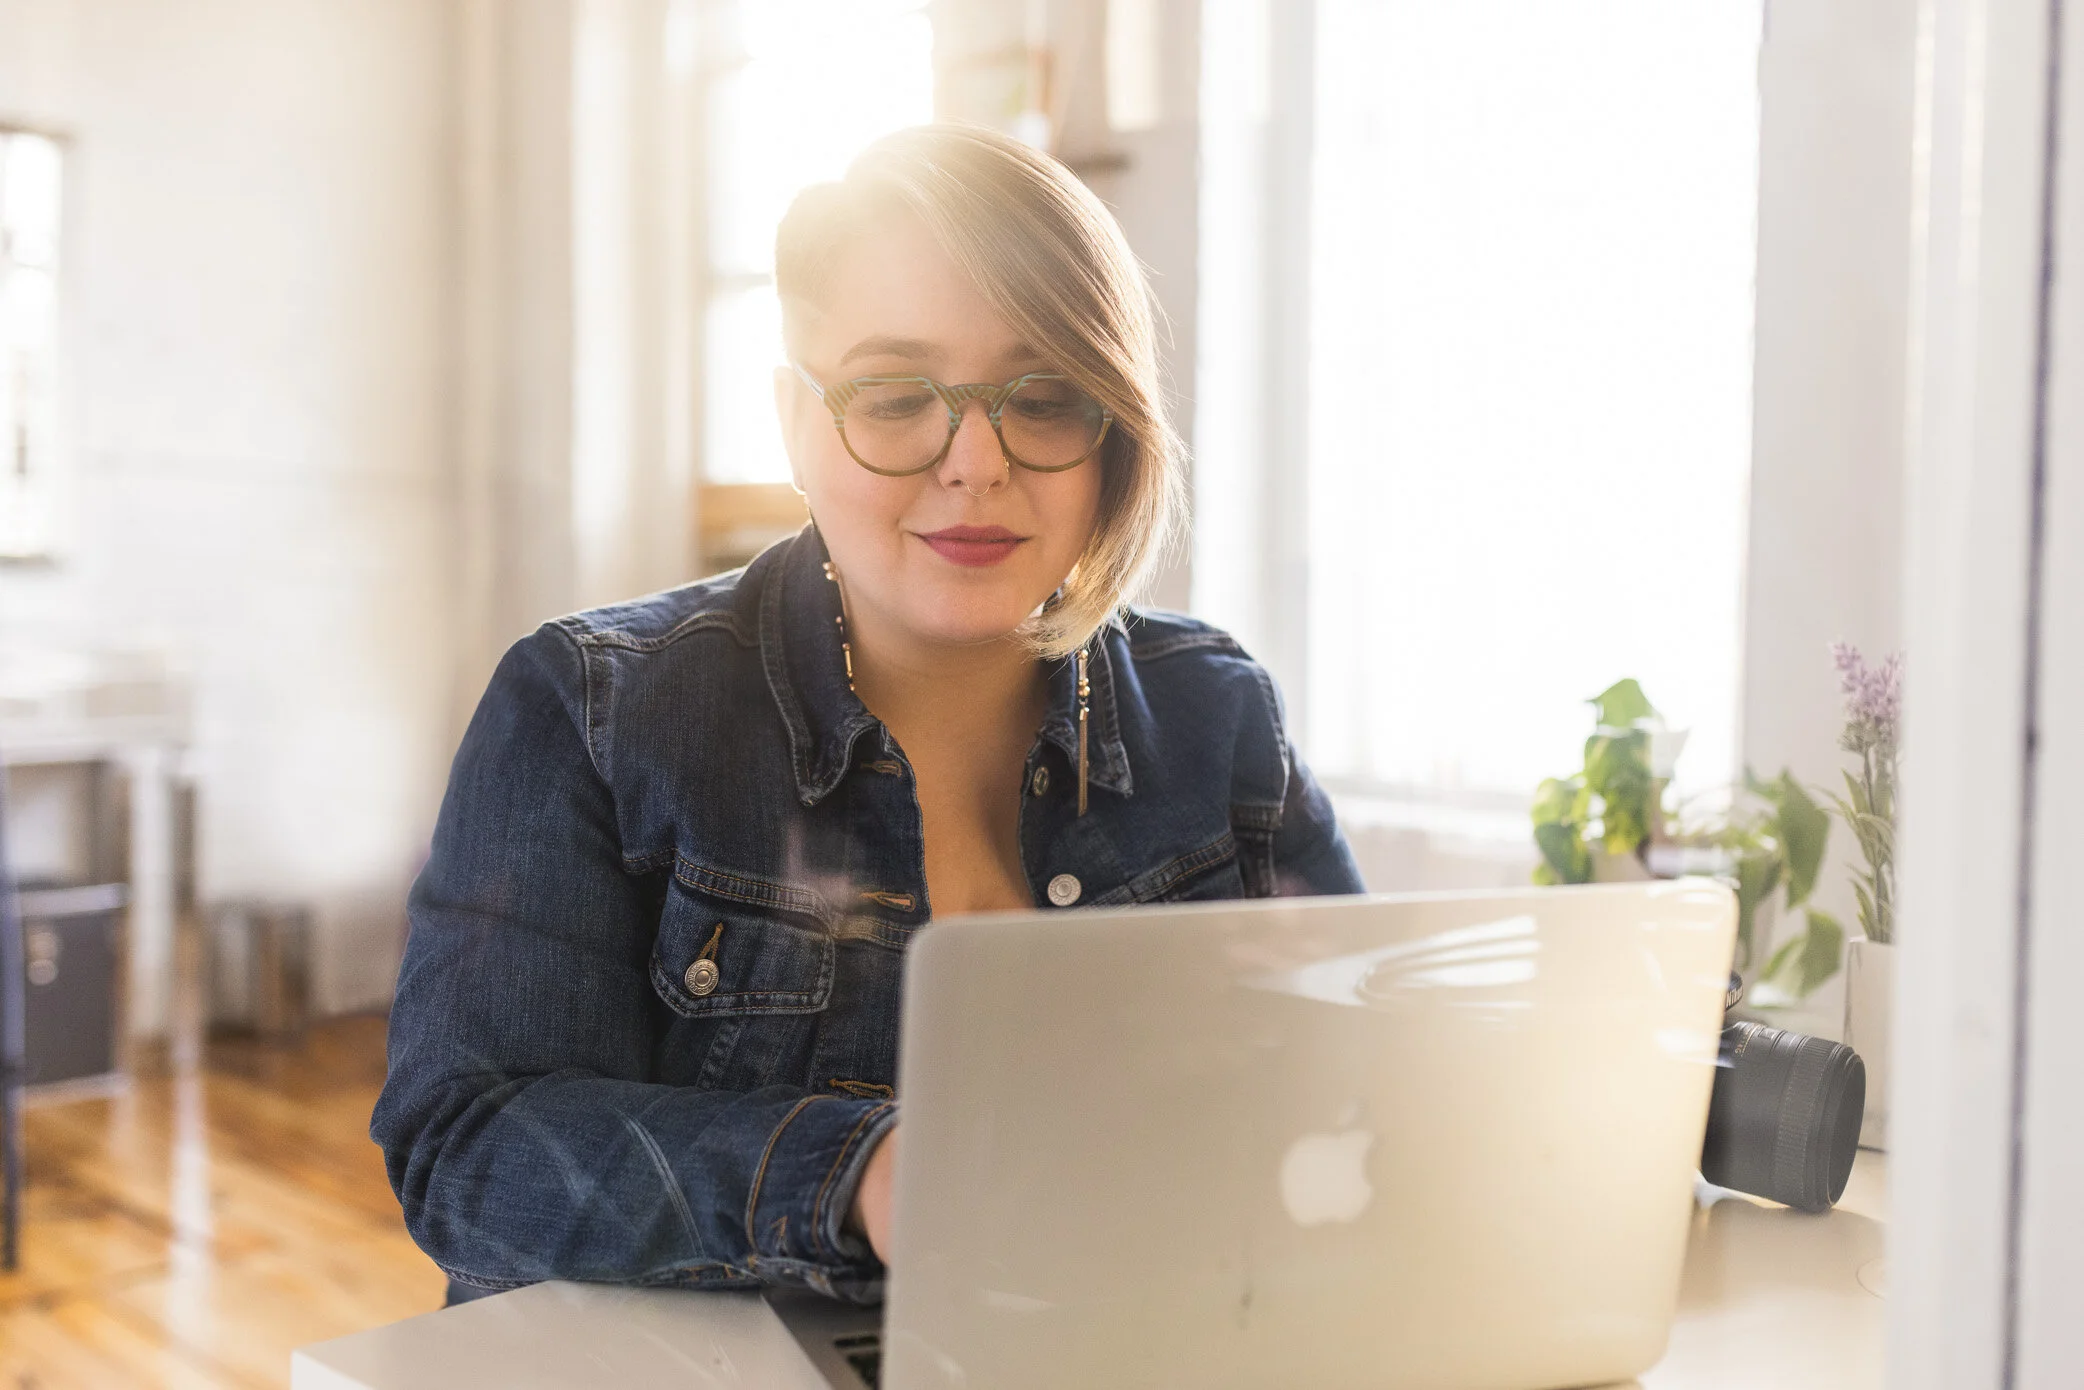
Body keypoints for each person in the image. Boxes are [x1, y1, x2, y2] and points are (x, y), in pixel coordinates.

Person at [371, 123, 1363, 1306]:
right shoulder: (593, 710)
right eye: (896, 397)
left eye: (1044, 396)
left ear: (1113, 434)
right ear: (798, 424)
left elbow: (1357, 1079)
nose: (976, 461)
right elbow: (468, 1147)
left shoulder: (1219, 716)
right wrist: (865, 1176)